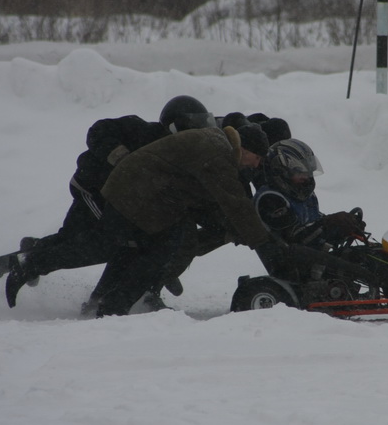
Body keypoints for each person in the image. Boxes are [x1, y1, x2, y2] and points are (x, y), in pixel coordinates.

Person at [0, 95, 215, 311]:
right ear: (175, 126)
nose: (200, 132)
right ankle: (33, 264)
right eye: (195, 125)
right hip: (94, 188)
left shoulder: (178, 154)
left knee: (75, 240)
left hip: (117, 198)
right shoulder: (142, 130)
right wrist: (123, 160)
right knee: (105, 242)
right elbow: (98, 130)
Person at [72, 122, 288, 317]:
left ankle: (107, 302)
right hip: (136, 195)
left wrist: (244, 232)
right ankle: (112, 306)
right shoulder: (219, 154)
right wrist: (263, 242)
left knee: (147, 250)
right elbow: (235, 203)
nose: (256, 165)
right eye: (257, 158)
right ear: (245, 149)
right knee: (124, 249)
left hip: (149, 198)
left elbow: (223, 203)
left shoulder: (219, 144)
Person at [253, 138, 364, 250]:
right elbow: (294, 239)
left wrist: (345, 227)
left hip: (313, 256)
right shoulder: (269, 199)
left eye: (308, 172)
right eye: (299, 172)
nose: (306, 177)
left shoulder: (302, 193)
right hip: (289, 259)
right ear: (281, 172)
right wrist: (330, 223)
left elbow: (315, 225)